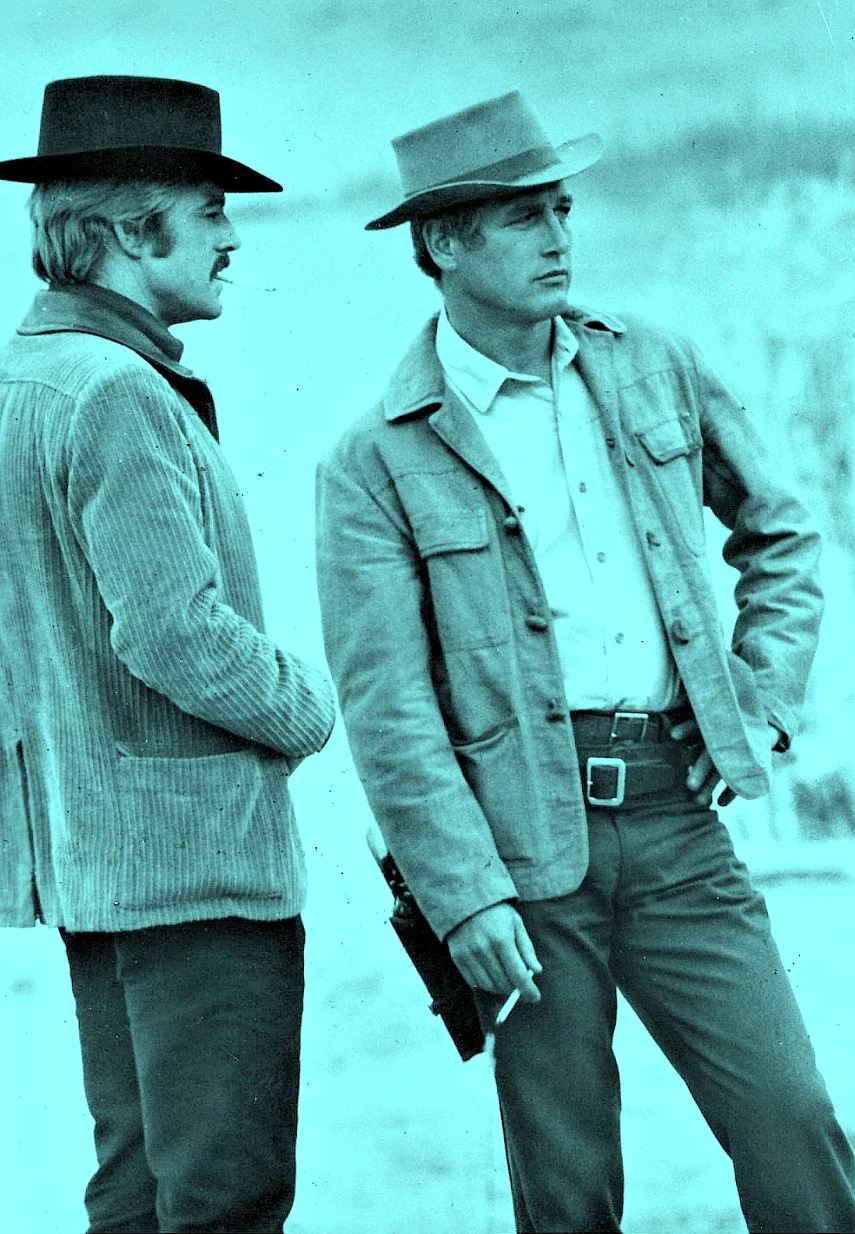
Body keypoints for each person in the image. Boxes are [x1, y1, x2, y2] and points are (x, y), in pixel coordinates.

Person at [315, 91, 855, 1233]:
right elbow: (389, 709)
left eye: (561, 209)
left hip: (677, 825)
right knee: (565, 1187)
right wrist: (463, 896)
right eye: (523, 216)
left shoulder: (653, 365)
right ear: (443, 242)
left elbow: (779, 531)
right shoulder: (372, 461)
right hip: (517, 856)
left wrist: (759, 701)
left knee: (792, 1122)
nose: (558, 236)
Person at [0, 76, 335, 1234]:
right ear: (135, 231)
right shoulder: (114, 393)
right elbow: (173, 631)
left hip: (98, 866)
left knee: (141, 1192)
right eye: (209, 211)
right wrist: (305, 706)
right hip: (192, 875)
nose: (231, 238)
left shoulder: (26, 378)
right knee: (224, 1198)